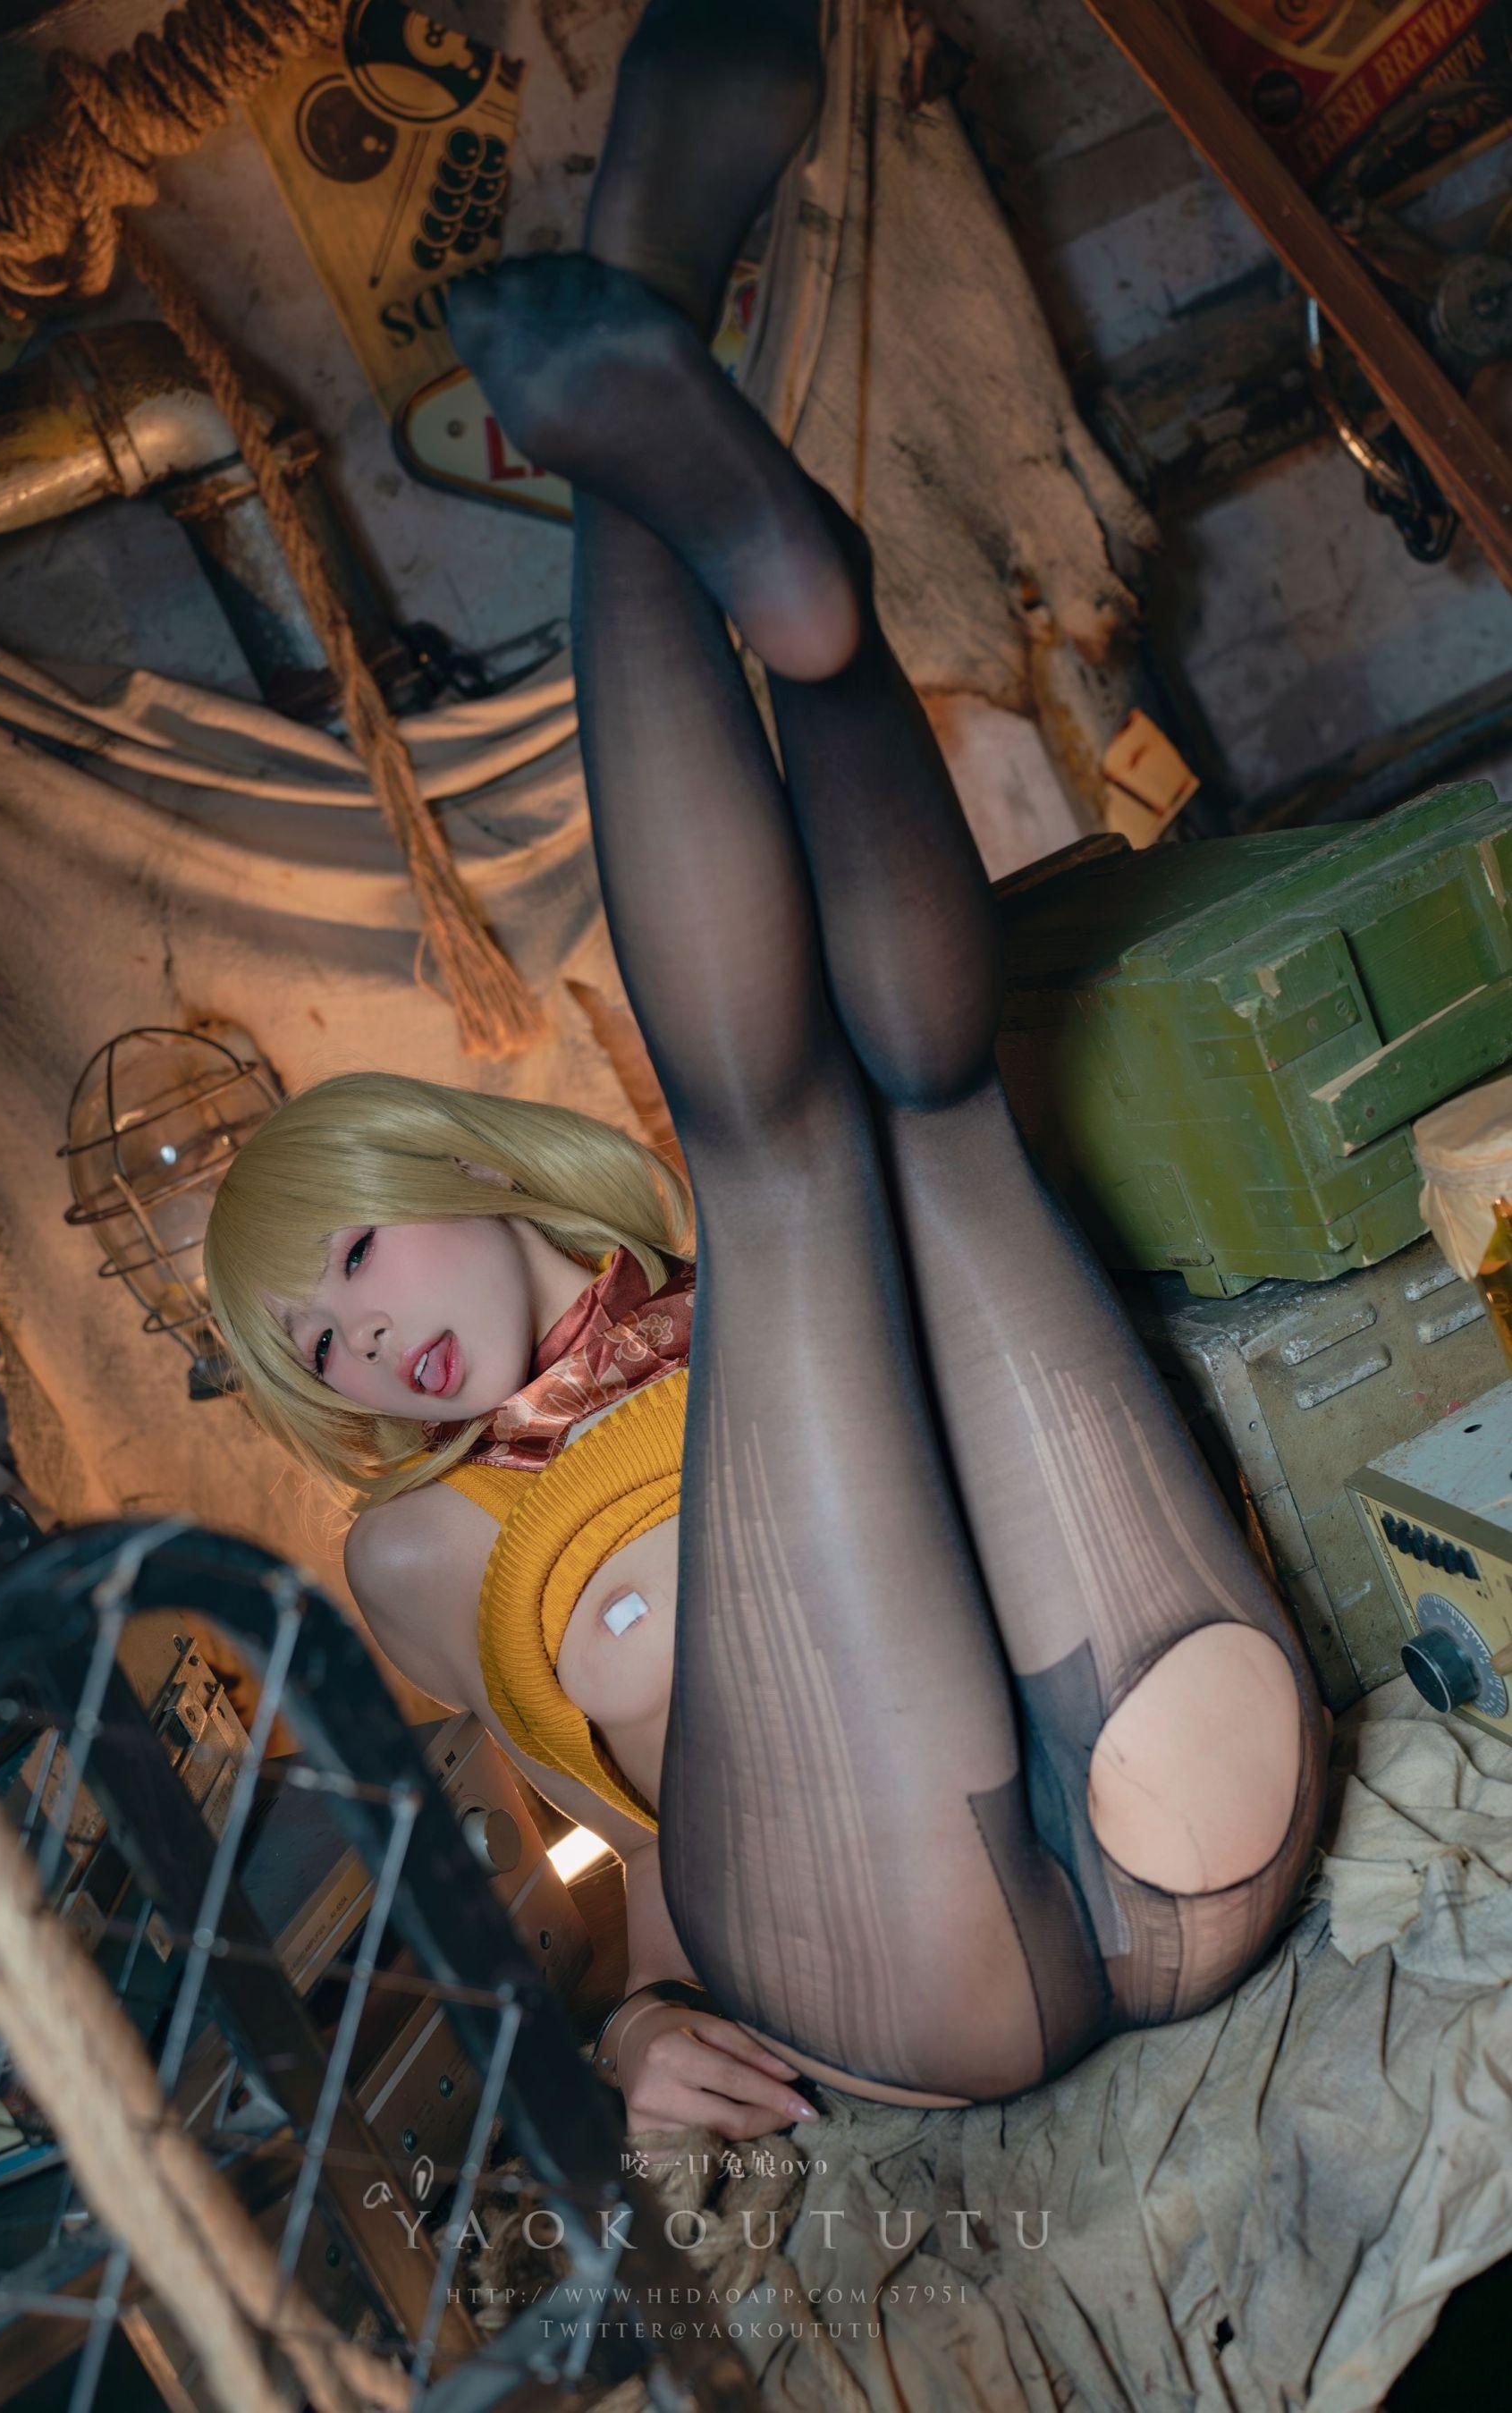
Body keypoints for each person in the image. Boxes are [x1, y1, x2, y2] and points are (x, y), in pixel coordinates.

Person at [205, 0, 1330, 2140]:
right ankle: (727, 490)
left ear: (460, 1163)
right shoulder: (426, 1544)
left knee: (915, 1127)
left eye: (350, 1252)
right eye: (318, 1348)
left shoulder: (741, 1309)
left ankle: (771, 574)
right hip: (905, 1957)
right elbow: (610, 1860)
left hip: (1180, 1827)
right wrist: (633, 2023)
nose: (364, 1337)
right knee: (815, 1150)